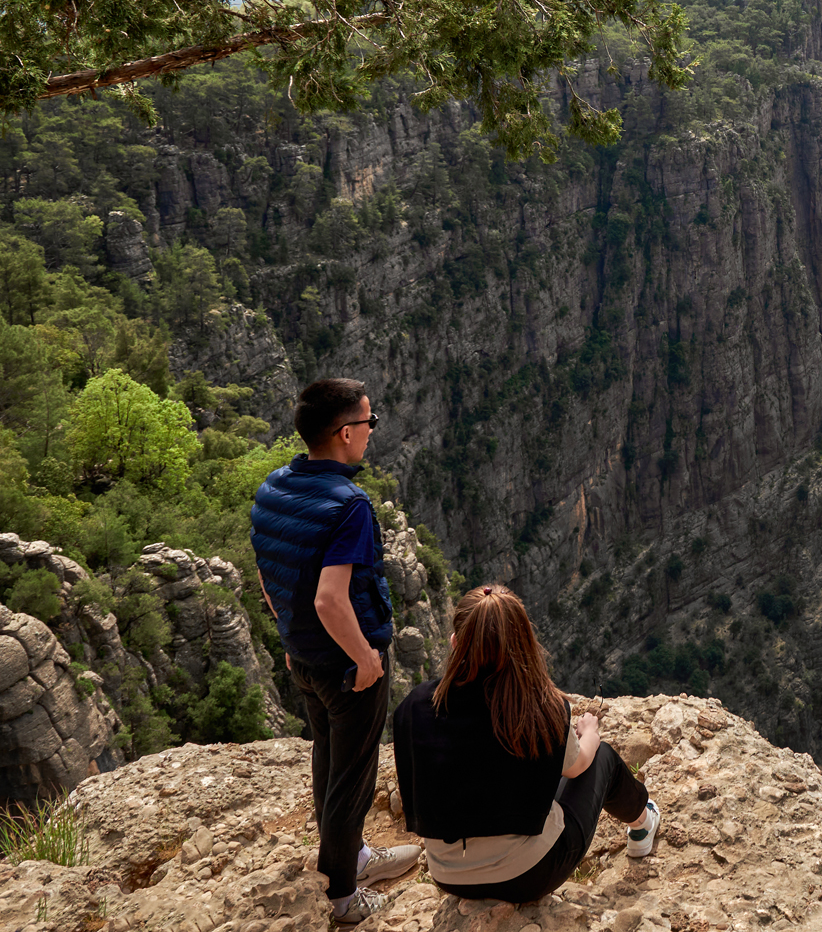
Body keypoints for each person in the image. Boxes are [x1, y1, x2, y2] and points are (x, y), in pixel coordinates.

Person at [250, 378, 421, 924]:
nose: (372, 433)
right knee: (353, 778)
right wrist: (366, 659)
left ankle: (354, 855)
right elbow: (330, 598)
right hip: (347, 665)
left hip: (305, 661)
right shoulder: (349, 505)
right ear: (345, 433)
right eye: (370, 424)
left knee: (328, 758)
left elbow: (266, 574)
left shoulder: (274, 487)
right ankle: (345, 898)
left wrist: (290, 637)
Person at [391, 585, 661, 903]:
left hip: (448, 876)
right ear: (524, 644)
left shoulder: (414, 706)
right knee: (600, 755)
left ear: (455, 643)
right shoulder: (538, 707)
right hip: (529, 876)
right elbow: (578, 767)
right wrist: (589, 731)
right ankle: (643, 824)